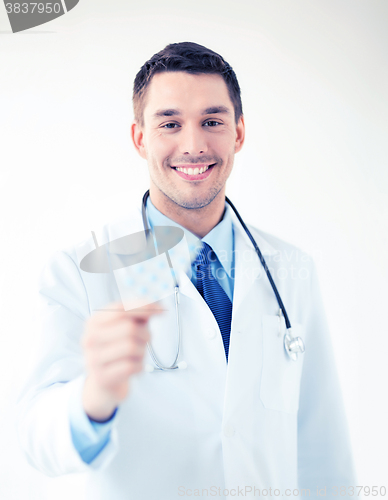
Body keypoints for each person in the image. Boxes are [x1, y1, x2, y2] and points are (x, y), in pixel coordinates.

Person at [16, 42, 356, 499]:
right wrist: (92, 397)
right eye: (170, 123)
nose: (194, 145)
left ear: (238, 133)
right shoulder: (85, 270)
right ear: (140, 138)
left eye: (212, 122)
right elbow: (36, 437)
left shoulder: (289, 269)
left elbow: (322, 445)